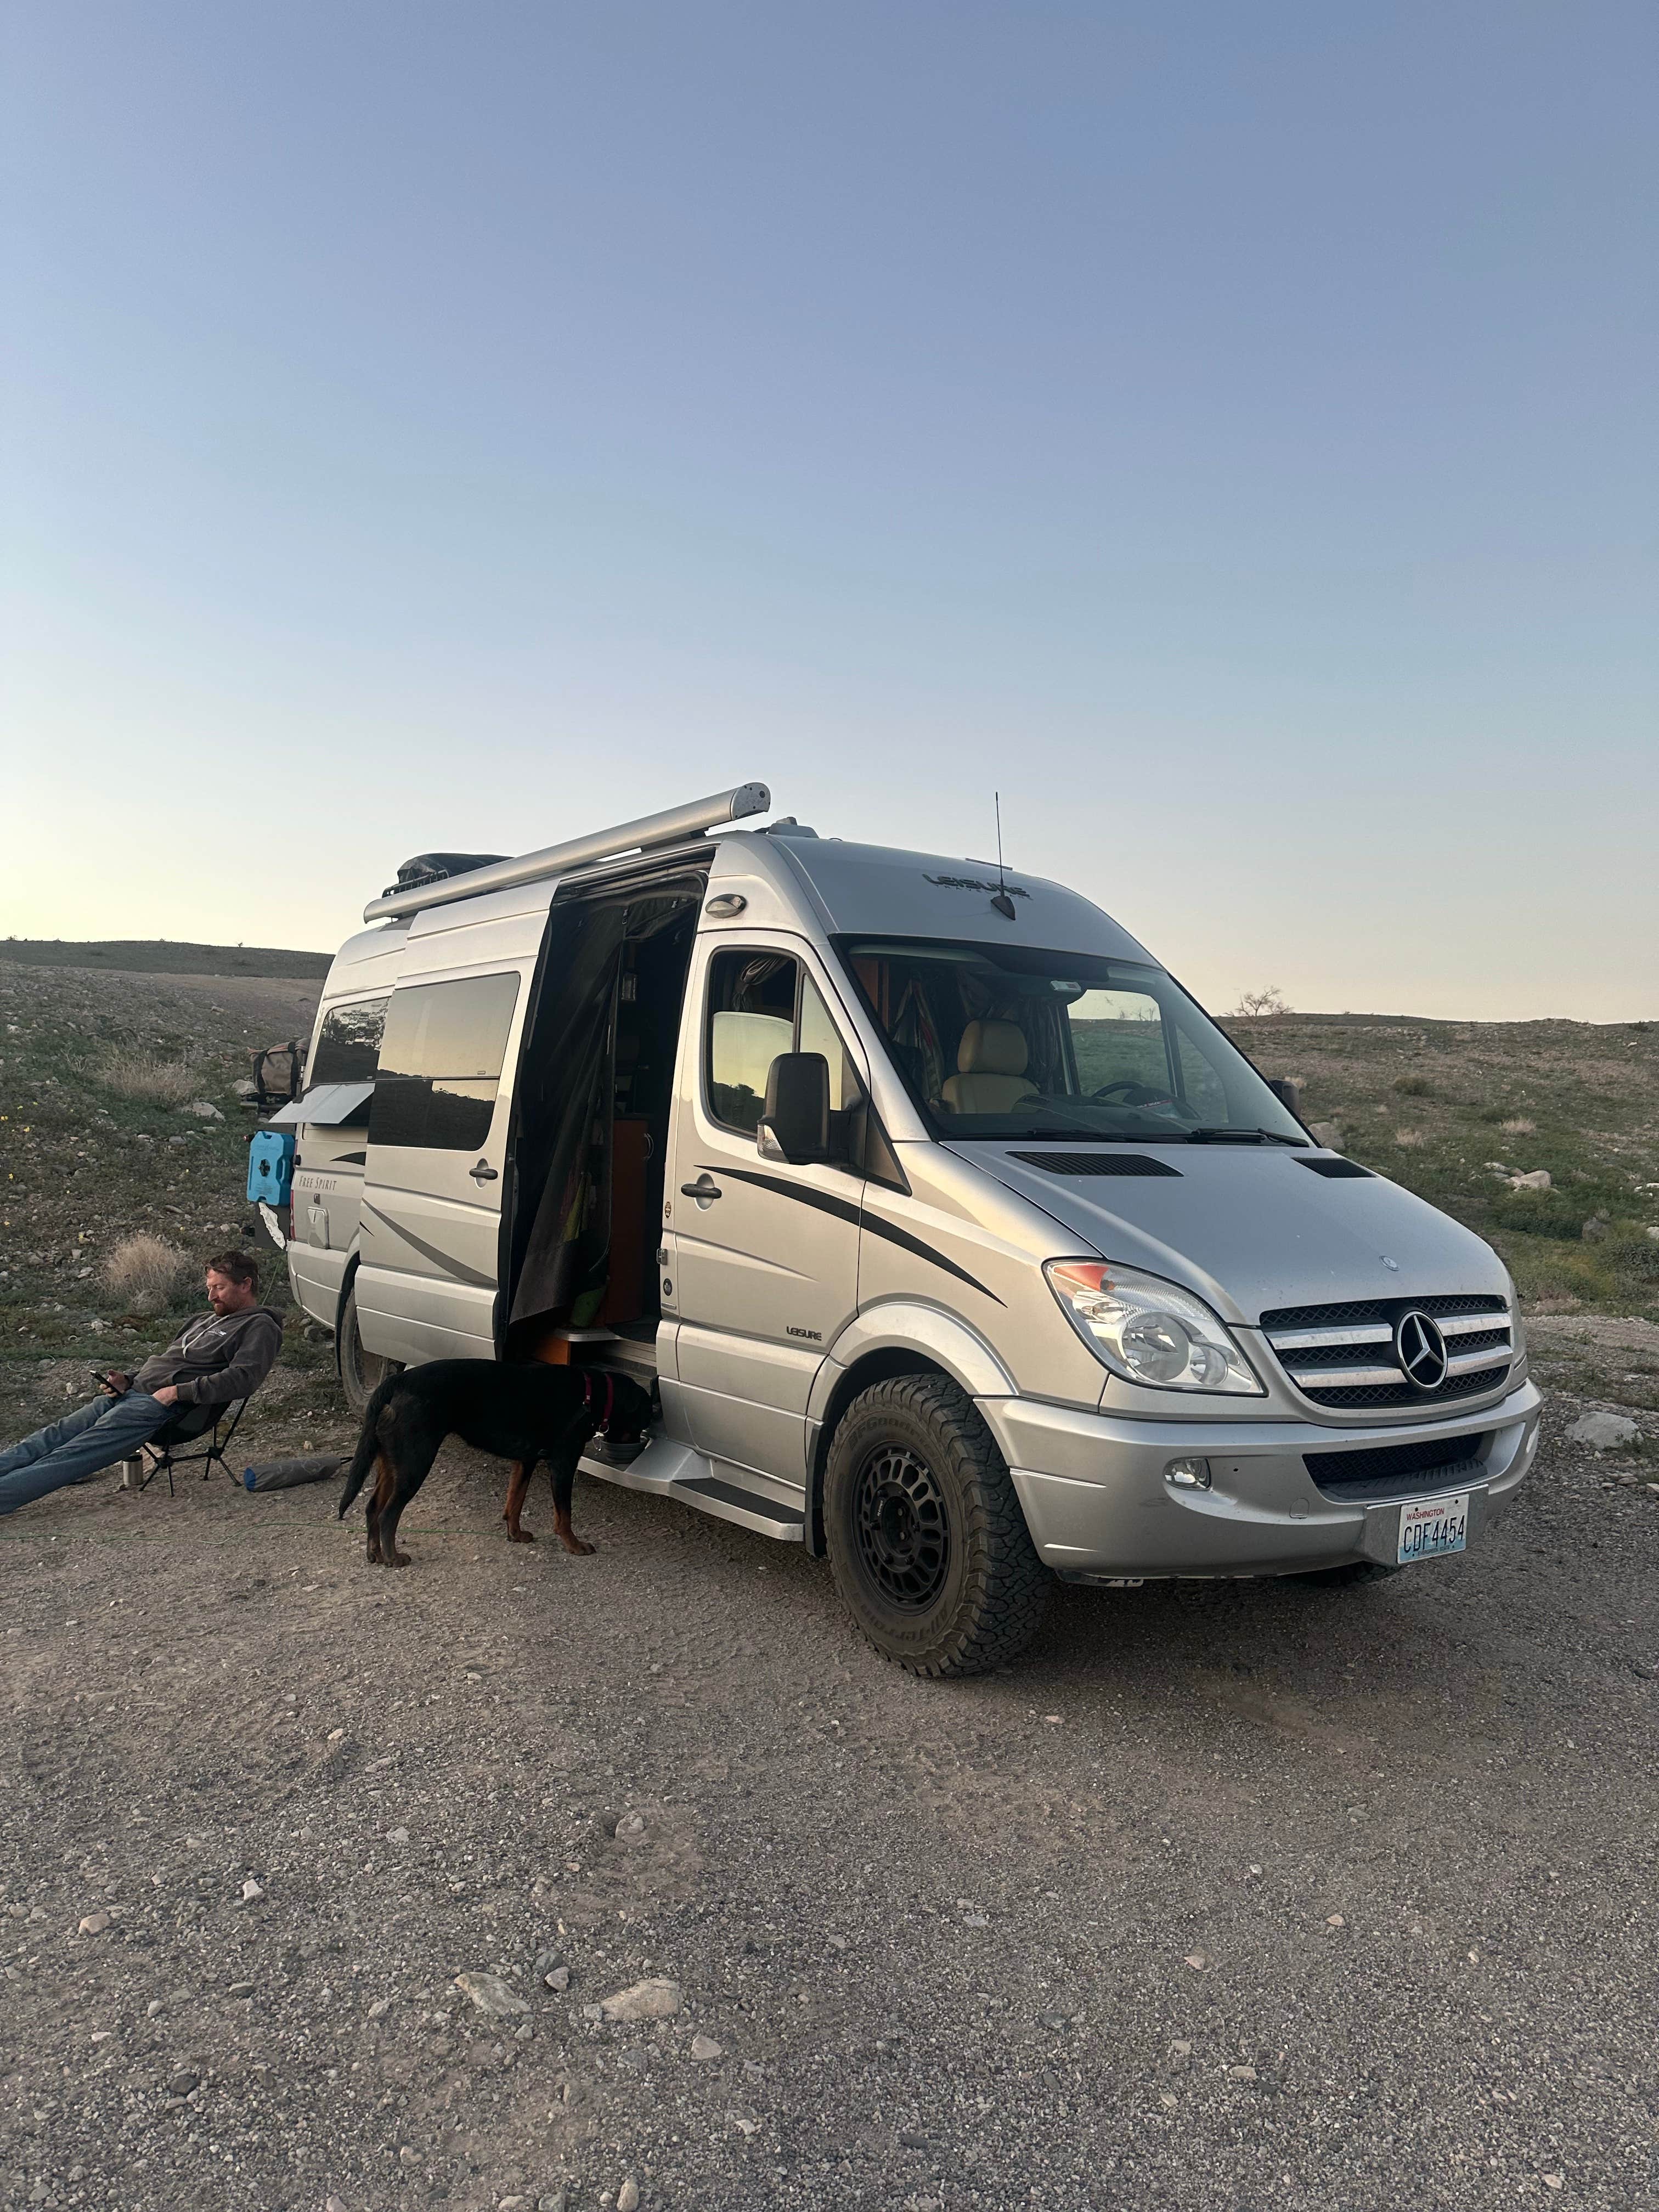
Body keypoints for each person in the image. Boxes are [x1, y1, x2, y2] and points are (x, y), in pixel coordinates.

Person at [0, 1251, 283, 1515]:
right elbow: (172, 1364)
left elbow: (244, 1379)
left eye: (219, 1288)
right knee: (53, 1435)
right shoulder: (202, 1320)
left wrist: (175, 1393)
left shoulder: (259, 1326)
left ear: (245, 1285)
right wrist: (129, 1380)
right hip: (135, 1394)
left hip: (167, 1409)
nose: (211, 1296)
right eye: (209, 1287)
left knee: (74, 1453)